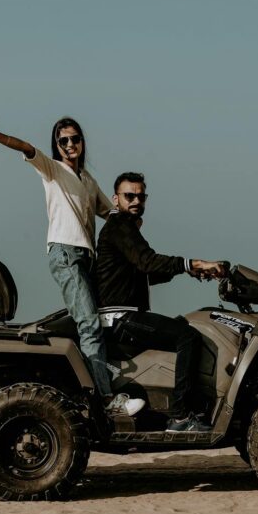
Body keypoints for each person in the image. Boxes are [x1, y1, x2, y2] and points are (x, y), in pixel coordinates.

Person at [0, 113, 143, 417]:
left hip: (87, 257)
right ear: (56, 145)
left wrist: (134, 212)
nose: (69, 144)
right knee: (89, 324)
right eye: (62, 140)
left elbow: (112, 214)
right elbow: (24, 146)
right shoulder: (52, 169)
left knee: (100, 321)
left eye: (74, 139)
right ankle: (106, 400)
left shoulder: (88, 181)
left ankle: (91, 385)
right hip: (66, 254)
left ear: (82, 142)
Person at [95, 172, 227, 432]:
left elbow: (146, 272)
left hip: (123, 315)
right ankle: (180, 417)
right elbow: (148, 261)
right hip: (121, 318)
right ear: (116, 199)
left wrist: (192, 272)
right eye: (129, 196)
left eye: (140, 196)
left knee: (179, 325)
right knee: (187, 336)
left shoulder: (125, 230)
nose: (135, 201)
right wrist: (193, 263)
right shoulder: (120, 225)